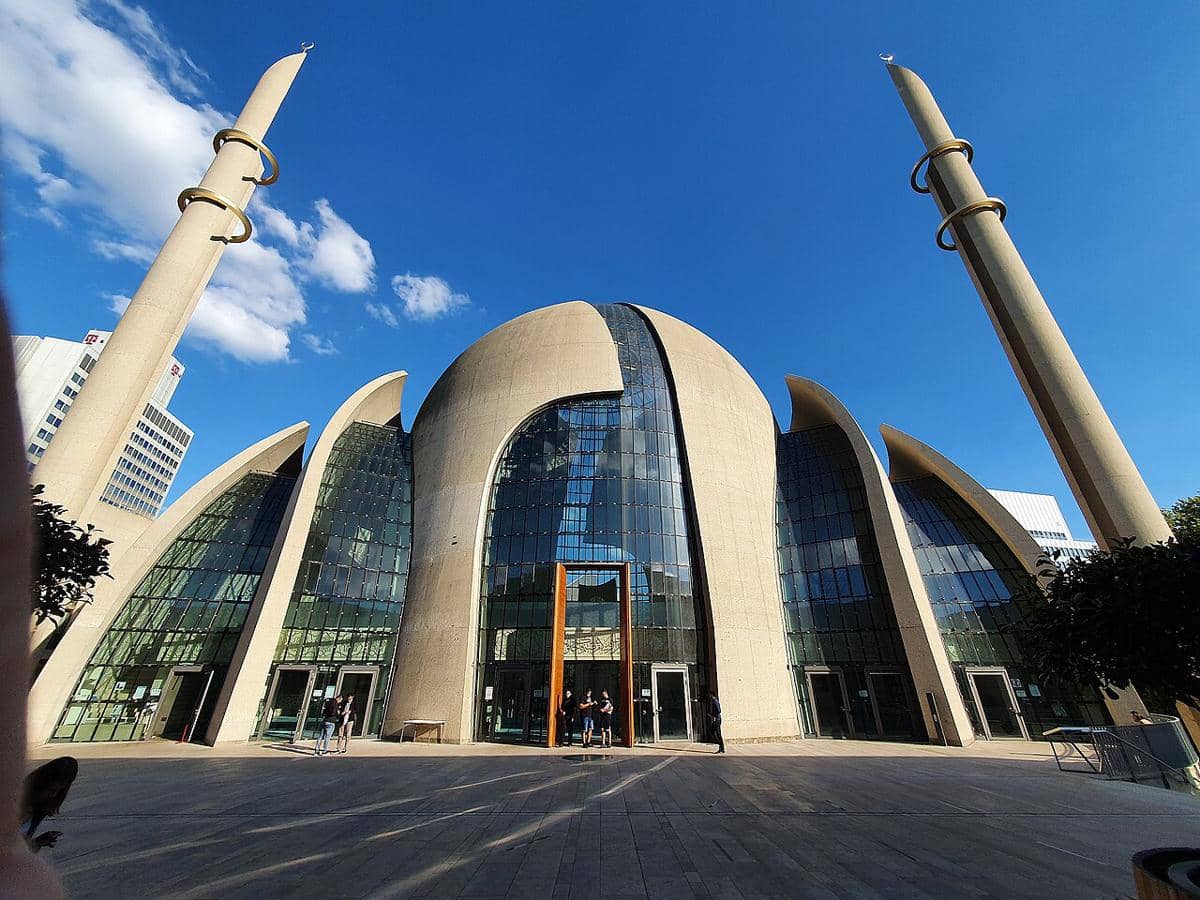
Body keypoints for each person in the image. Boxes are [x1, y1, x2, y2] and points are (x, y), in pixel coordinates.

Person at [21, 756, 78, 853]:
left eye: (59, 791)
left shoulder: (39, 810)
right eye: (51, 790)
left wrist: (37, 843)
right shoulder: (13, 799)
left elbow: (18, 850)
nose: (53, 795)